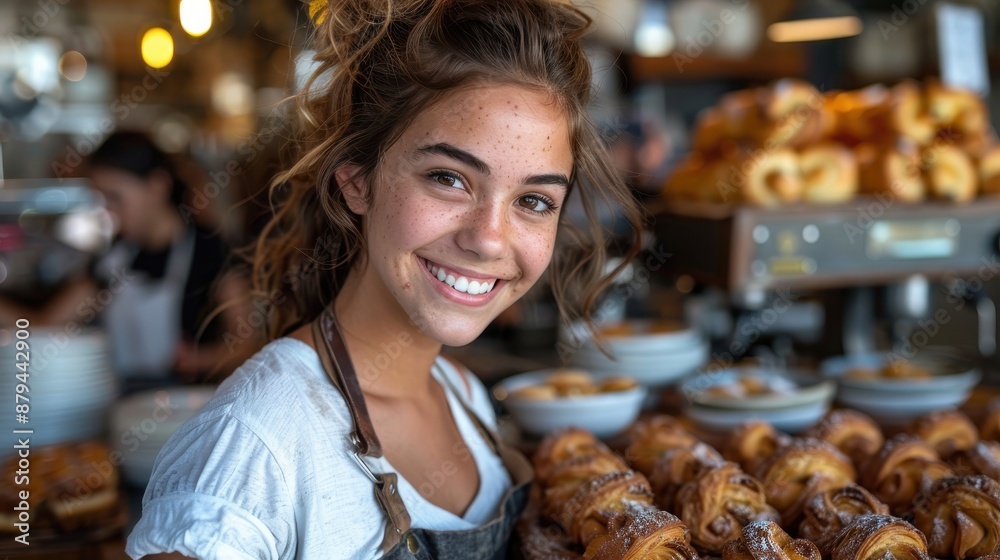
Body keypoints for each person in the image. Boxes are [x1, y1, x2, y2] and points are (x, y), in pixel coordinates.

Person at [127, 0, 642, 558]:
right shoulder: (256, 443)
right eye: (449, 178)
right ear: (357, 184)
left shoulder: (464, 395)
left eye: (535, 200)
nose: (490, 239)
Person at [0, 132, 255, 384]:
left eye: (115, 197)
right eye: (102, 199)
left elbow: (246, 345)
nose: (108, 211)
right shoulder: (113, 260)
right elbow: (47, 326)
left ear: (157, 186)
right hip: (121, 406)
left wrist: (200, 360)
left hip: (186, 408)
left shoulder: (210, 253)